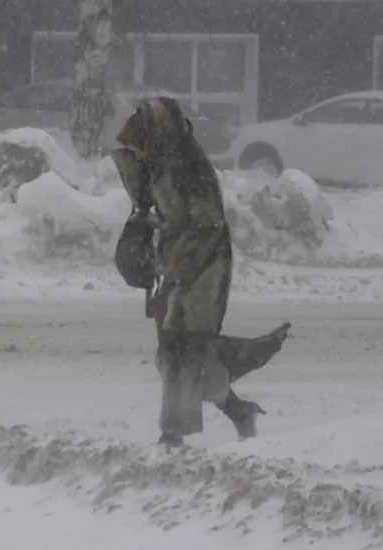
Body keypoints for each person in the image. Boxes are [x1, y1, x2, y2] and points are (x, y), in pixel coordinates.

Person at [112, 96, 284, 447]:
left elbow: (205, 221)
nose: (139, 154)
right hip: (179, 266)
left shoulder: (187, 166)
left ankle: (172, 435)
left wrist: (171, 250)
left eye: (139, 147)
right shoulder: (162, 165)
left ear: (154, 137)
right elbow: (151, 202)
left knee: (182, 349)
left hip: (202, 269)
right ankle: (238, 411)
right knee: (183, 352)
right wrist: (134, 172)